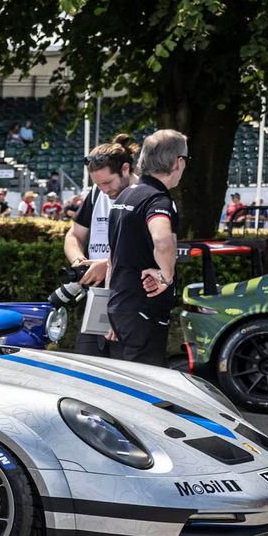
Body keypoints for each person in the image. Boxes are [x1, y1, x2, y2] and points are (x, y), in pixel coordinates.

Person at [104, 130, 184, 366]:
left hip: (120, 308)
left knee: (126, 385)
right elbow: (163, 241)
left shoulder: (125, 196)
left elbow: (112, 259)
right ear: (178, 162)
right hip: (143, 310)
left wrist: (111, 311)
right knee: (145, 390)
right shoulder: (158, 199)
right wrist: (166, 276)